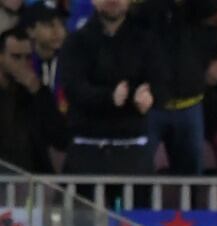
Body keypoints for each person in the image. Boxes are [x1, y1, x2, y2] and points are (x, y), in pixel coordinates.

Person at [136, 0, 217, 175]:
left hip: (190, 102)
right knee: (137, 178)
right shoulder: (145, 8)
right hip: (148, 104)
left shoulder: (201, 7)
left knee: (191, 181)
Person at [60, 0, 156, 175]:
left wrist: (150, 96)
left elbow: (159, 81)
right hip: (86, 150)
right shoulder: (75, 42)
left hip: (132, 150)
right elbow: (74, 88)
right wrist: (109, 97)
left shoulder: (146, 41)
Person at [0, 26, 67, 173]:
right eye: (16, 57)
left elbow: (60, 138)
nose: (23, 63)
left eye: (28, 57)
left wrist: (38, 91)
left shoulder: (36, 93)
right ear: (1, 57)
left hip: (33, 180)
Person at [21, 2, 67, 113]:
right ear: (30, 31)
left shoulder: (72, 62)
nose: (57, 31)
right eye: (49, 24)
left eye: (61, 23)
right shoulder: (23, 63)